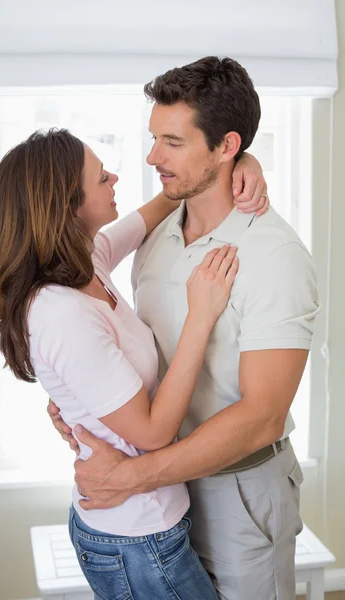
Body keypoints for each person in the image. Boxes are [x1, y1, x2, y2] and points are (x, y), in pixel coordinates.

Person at [49, 56, 320, 600]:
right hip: (161, 501)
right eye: (155, 138)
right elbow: (132, 348)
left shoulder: (275, 255)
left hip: (238, 492)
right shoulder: (154, 231)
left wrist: (132, 476)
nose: (152, 158)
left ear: (225, 146)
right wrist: (82, 400)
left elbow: (262, 417)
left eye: (172, 142)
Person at [0, 127, 268, 600]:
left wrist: (240, 164)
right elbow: (154, 432)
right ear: (68, 205)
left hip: (145, 525)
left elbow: (165, 202)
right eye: (101, 177)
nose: (115, 177)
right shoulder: (61, 311)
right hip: (138, 540)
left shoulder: (86, 259)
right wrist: (202, 314)